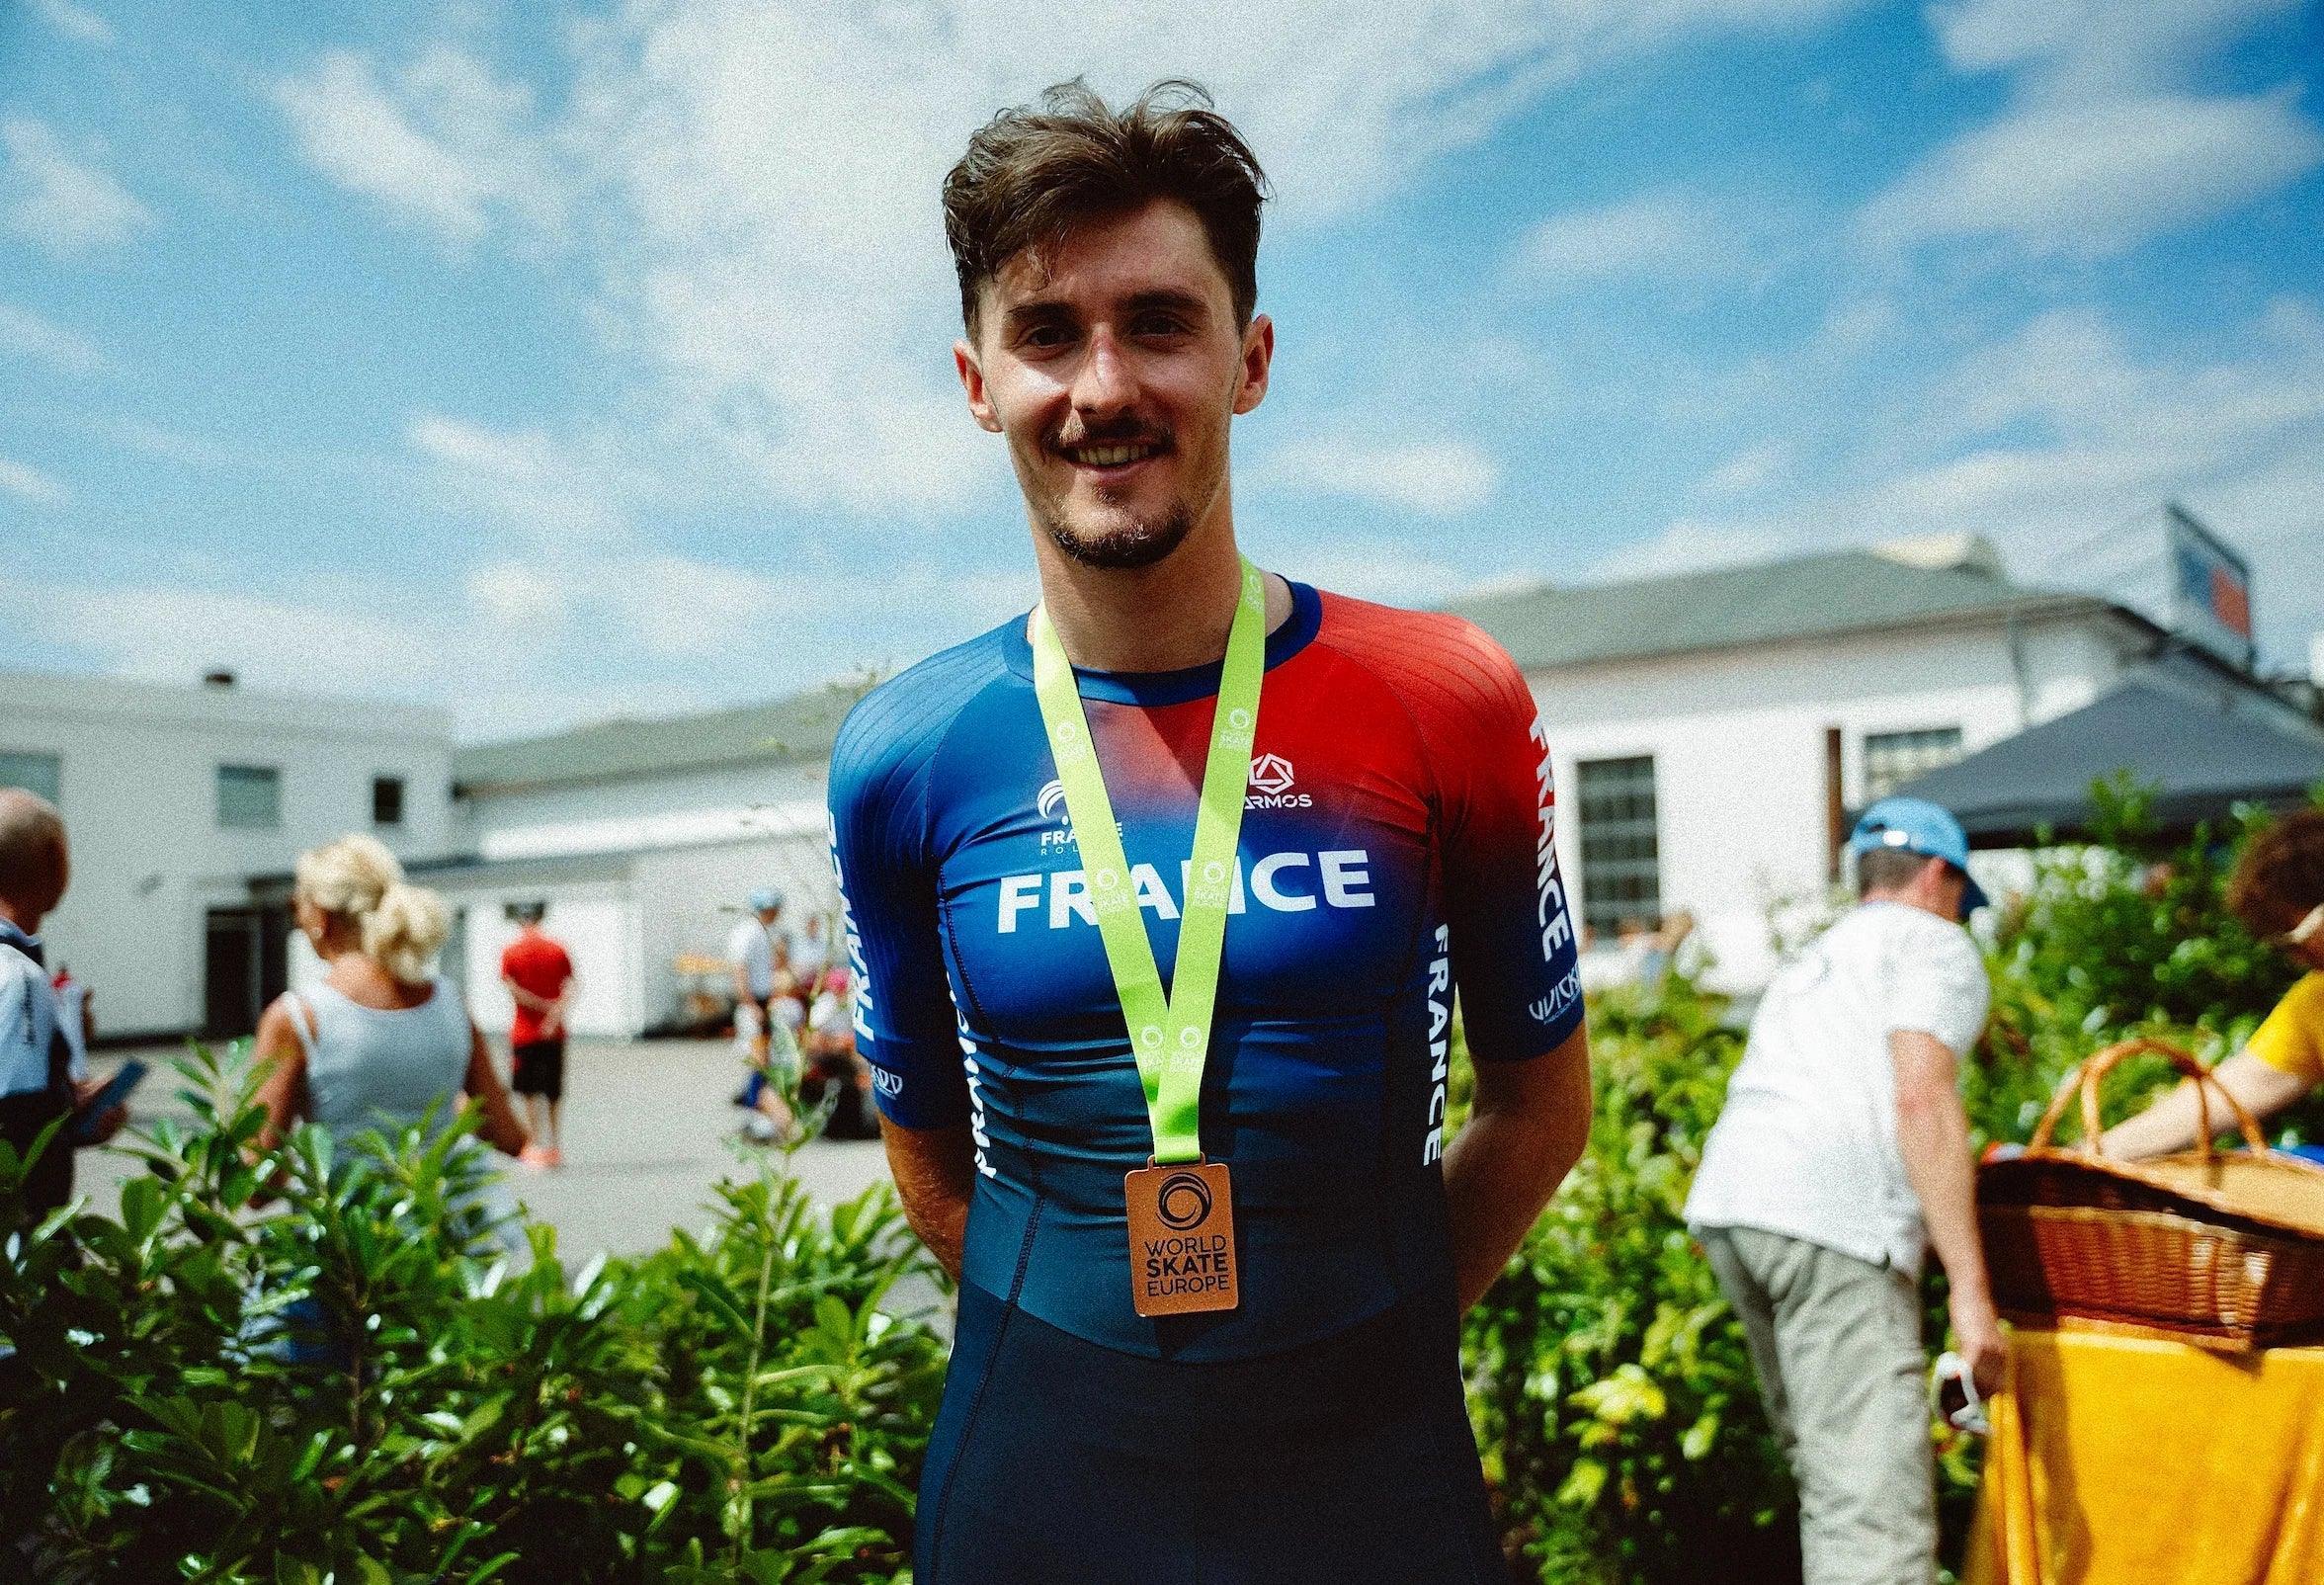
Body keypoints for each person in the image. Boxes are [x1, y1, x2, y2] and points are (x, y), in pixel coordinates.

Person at [827, 80, 1592, 1584]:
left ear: (1248, 360)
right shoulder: (908, 753)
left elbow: (1539, 1109)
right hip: (1039, 1472)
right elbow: (925, 1156)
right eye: (1048, 333)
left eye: (1159, 323)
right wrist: (1090, 1331)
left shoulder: (1445, 696)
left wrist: (1365, 1328)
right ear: (978, 379)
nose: (1102, 385)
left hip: (1373, 1476)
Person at [1685, 795, 2003, 1585]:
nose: (1961, 913)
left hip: (1735, 1210)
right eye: (1963, 896)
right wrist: (1970, 1293)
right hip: (1835, 1224)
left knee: (1835, 1486)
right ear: (1938, 876)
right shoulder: (1933, 943)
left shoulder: (1820, 955)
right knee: (1875, 1523)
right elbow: (1923, 1099)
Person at [251, 835, 529, 1166]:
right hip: (438, 1212)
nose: (296, 918)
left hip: (346, 1216)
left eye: (297, 906)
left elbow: (257, 1182)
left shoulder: (297, 1017)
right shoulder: (449, 1002)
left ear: (321, 918)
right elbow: (508, 1137)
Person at [2105, 806, 2324, 1159]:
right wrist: (2085, 1155)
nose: (2296, 958)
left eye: (2297, 937)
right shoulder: (2315, 1003)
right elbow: (2223, 1095)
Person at [0, 790, 125, 1224]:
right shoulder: (19, 977)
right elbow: (16, 1131)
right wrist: (75, 1122)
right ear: (56, 860)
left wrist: (60, 1092)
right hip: (23, 1248)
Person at [498, 901, 575, 1169]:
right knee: (553, 1091)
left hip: (525, 1032)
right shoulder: (557, 949)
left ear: (521, 922)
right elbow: (571, 986)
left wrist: (539, 1008)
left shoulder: (511, 952)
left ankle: (535, 1143)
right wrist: (553, 1015)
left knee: (529, 1091)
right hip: (554, 1033)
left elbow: (512, 989)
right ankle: (555, 1144)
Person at [726, 888, 799, 1141]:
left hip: (764, 1000)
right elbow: (740, 971)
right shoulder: (746, 934)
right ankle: (754, 1112)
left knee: (766, 1062)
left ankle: (757, 1112)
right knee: (759, 1062)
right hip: (753, 1003)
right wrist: (750, 1005)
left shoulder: (765, 933)